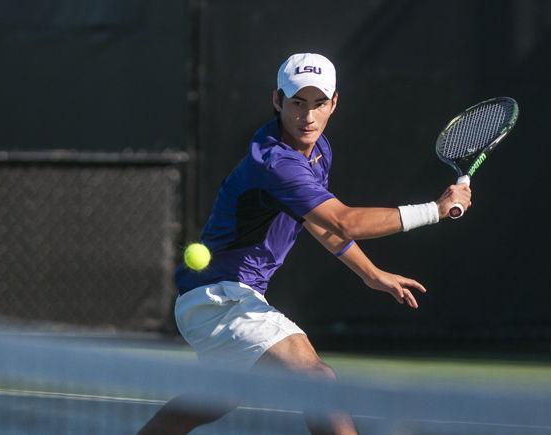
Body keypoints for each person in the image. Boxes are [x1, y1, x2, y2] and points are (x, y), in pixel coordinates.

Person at [139, 53, 471, 435]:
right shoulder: (276, 163)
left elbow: (322, 226)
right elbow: (345, 222)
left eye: (318, 104)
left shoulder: (317, 150)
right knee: (316, 379)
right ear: (277, 101)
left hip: (223, 295)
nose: (308, 116)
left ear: (334, 104)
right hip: (219, 297)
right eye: (297, 103)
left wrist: (371, 274)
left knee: (216, 398)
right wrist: (436, 210)